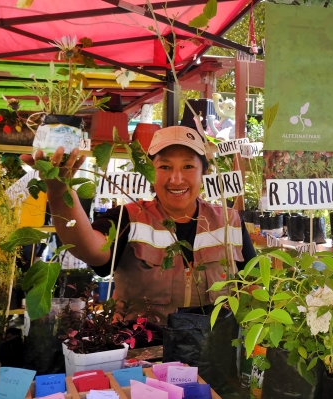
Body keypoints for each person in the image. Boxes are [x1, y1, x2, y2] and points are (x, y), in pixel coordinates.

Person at [20, 126, 256, 322]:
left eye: (188, 166)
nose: (176, 178)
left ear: (204, 170)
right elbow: (90, 249)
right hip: (141, 357)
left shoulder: (230, 222)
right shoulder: (129, 216)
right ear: (150, 171)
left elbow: (253, 287)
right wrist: (59, 189)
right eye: (164, 167)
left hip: (212, 357)